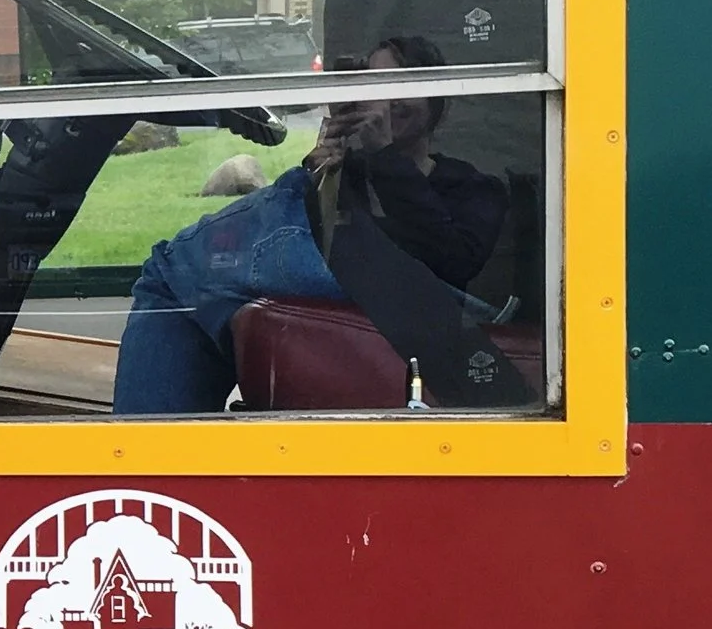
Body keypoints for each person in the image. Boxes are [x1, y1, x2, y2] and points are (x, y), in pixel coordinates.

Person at [110, 35, 509, 414]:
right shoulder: (346, 173)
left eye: (402, 82)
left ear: (439, 103)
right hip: (336, 275)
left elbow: (453, 262)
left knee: (169, 271)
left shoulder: (474, 188)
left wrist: (385, 155)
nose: (387, 100)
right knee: (184, 287)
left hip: (429, 301)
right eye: (375, 85)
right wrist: (316, 171)